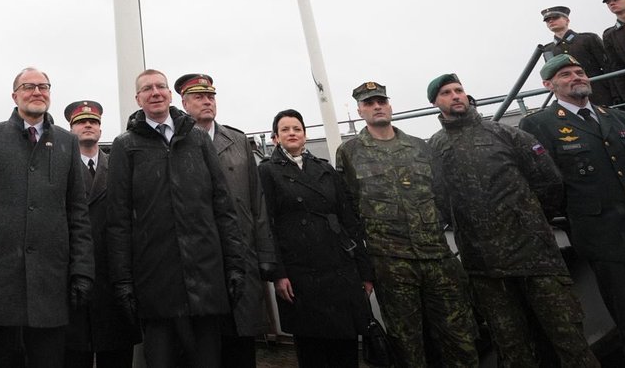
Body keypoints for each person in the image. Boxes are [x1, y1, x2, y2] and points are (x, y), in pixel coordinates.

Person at [427, 73, 597, 368]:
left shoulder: (506, 134)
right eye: (446, 93)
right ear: (435, 103)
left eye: (459, 90)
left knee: (569, 341)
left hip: (535, 257)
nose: (455, 96)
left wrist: (529, 218)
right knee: (513, 349)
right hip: (485, 268)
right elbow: (440, 198)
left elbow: (549, 180)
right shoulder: (435, 148)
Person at [0, 69, 94, 368]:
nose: (37, 92)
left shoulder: (67, 142)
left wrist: (82, 271)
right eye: (29, 87)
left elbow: (77, 213)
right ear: (14, 95)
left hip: (50, 287)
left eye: (43, 87)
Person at [107, 69, 245, 368]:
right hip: (156, 283)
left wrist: (234, 264)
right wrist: (123, 282)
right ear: (138, 98)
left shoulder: (197, 139)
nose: (155, 92)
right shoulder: (126, 146)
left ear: (170, 95)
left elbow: (223, 207)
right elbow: (118, 220)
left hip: (206, 279)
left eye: (161, 87)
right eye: (147, 89)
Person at [336, 81, 477, 367]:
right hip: (391, 263)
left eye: (381, 101)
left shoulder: (419, 147)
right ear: (360, 111)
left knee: (459, 337)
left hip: (436, 257)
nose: (377, 106)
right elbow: (348, 205)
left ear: (389, 106)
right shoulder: (350, 152)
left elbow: (442, 194)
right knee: (407, 345)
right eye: (369, 103)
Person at [521, 54, 625, 367]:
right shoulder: (539, 124)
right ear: (549, 85)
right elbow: (544, 183)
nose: (576, 77)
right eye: (565, 74)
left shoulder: (617, 118)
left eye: (579, 72)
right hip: (606, 241)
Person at [174, 72, 278, 367]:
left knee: (242, 340)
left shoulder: (238, 140)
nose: (207, 101)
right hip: (201, 257)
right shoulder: (178, 141)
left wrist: (266, 254)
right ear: (184, 102)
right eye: (198, 96)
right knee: (205, 344)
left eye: (210, 96)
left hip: (243, 252)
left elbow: (257, 201)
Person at [259, 109, 372, 367]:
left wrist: (365, 271)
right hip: (301, 273)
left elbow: (349, 220)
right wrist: (279, 273)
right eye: (285, 129)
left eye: (296, 128)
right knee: (313, 349)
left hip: (339, 267)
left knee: (345, 347)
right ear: (275, 138)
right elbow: (267, 225)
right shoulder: (267, 172)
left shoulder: (324, 169)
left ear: (305, 135)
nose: (292, 133)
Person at [62, 100, 139, 368]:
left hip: (113, 276)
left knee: (116, 355)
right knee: (74, 355)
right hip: (73, 277)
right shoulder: (60, 170)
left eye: (93, 122)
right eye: (81, 122)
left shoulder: (118, 167)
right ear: (70, 129)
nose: (88, 125)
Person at [539, 6, 615, 106]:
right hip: (571, 98)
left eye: (555, 18)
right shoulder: (548, 50)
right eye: (547, 20)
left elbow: (608, 66)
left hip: (600, 93)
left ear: (567, 20)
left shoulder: (587, 39)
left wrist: (617, 95)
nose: (551, 21)